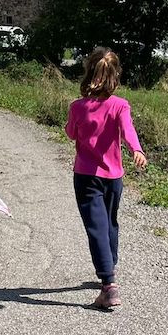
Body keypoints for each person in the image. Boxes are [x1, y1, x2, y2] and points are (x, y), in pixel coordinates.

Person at [65, 47, 147, 310]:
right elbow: (128, 130)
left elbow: (71, 134)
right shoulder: (120, 105)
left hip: (86, 176)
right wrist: (136, 150)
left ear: (89, 73)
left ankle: (108, 285)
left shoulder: (78, 107)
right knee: (109, 222)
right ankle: (109, 263)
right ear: (115, 76)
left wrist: (77, 122)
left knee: (96, 227)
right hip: (114, 177)